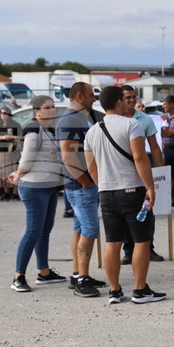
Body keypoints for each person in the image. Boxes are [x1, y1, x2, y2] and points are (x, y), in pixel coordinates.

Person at [84, 86, 163, 305]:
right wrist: (150, 186)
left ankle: (115, 290)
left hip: (106, 191)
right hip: (132, 189)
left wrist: (102, 185)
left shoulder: (92, 131)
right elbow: (140, 157)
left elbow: (91, 167)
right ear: (119, 101)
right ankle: (140, 289)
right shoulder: (131, 124)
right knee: (142, 241)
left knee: (112, 242)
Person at [7, 96, 67, 292]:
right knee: (33, 231)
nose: (52, 110)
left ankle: (44, 272)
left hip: (49, 186)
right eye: (47, 107)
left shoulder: (48, 130)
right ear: (37, 111)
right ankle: (18, 277)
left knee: (44, 230)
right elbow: (27, 158)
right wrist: (18, 174)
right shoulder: (33, 129)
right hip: (34, 187)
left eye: (53, 106)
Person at [56, 82, 107, 297]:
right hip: (80, 185)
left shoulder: (78, 118)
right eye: (90, 95)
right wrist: (85, 181)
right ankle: (82, 279)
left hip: (79, 184)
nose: (94, 99)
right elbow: (68, 155)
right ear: (79, 96)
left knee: (79, 229)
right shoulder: (71, 120)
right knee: (89, 230)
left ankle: (78, 273)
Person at [120, 85, 165, 265]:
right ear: (120, 100)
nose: (131, 100)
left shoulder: (145, 119)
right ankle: (128, 250)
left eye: (133, 97)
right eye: (128, 97)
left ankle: (148, 248)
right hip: (122, 170)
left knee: (147, 209)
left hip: (143, 167)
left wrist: (162, 172)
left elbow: (154, 147)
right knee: (126, 212)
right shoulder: (114, 119)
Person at [0, 108, 22, 201]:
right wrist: (3, 137)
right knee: (3, 172)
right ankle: (6, 192)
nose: (3, 115)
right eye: (1, 113)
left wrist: (11, 137)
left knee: (13, 171)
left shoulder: (15, 125)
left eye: (5, 113)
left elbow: (20, 137)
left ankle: (15, 193)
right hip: (1, 152)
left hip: (13, 151)